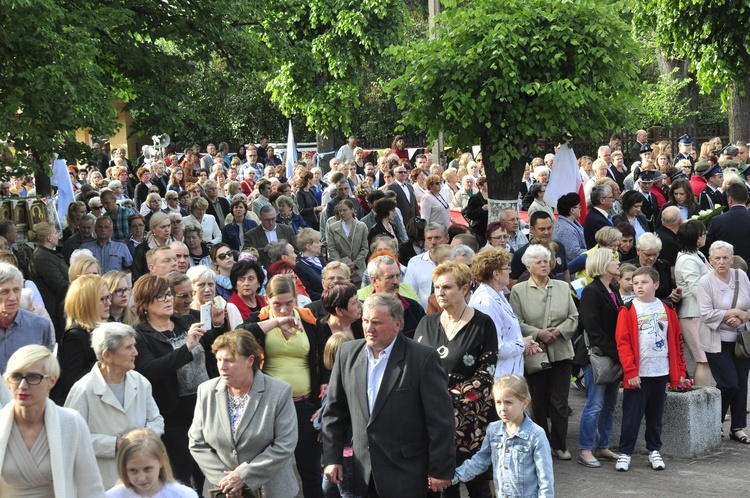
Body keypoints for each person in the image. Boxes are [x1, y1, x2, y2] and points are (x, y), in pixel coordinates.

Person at [322, 293, 456, 497]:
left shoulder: (422, 358)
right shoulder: (347, 353)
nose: (368, 328)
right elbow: (334, 412)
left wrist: (440, 470)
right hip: (363, 474)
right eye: (365, 321)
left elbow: (440, 420)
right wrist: (332, 458)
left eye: (376, 322)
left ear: (398, 324)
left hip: (407, 473)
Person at [414, 262, 498, 498]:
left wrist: (442, 399)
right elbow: (413, 369)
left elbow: (485, 376)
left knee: (477, 485)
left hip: (470, 421)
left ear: (464, 289)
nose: (440, 292)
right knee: (436, 485)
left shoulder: (483, 324)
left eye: (447, 287)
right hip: (431, 421)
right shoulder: (426, 323)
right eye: (437, 287)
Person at [239, 275, 327, 498]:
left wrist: (323, 402)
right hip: (269, 406)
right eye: (277, 303)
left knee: (311, 470)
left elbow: (325, 365)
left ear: (296, 299)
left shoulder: (309, 321)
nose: (284, 309)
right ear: (267, 300)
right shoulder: (259, 320)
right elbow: (238, 337)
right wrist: (275, 323)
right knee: (271, 472)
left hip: (304, 404)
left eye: (289, 303)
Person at [132, 275, 222, 491]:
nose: (167, 300)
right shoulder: (140, 335)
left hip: (206, 410)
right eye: (160, 296)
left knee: (212, 477)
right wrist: (186, 348)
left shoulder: (186, 321)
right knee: (181, 479)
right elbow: (149, 370)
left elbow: (216, 349)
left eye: (169, 295)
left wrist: (217, 325)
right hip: (174, 418)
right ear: (144, 304)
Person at [188, 329, 299, 498]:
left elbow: (285, 444)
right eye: (218, 360)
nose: (222, 366)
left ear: (250, 360)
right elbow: (197, 443)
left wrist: (244, 476)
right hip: (222, 491)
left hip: (271, 490)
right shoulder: (206, 391)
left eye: (229, 361)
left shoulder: (279, 392)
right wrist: (226, 481)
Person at [64, 323, 164, 489]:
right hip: (101, 480)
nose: (136, 353)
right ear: (107, 355)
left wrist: (142, 439)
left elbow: (156, 419)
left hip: (140, 478)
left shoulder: (140, 381)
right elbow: (70, 437)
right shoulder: (83, 389)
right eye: (128, 348)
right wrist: (114, 444)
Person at [0, 345, 107, 496]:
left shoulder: (72, 423)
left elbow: (91, 488)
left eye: (33, 377)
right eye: (16, 376)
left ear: (51, 381)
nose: (23, 386)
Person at [509, 244, 578, 460]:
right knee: (537, 401)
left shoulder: (562, 287)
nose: (543, 264)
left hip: (561, 351)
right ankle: (542, 443)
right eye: (538, 261)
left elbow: (574, 316)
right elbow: (516, 322)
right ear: (528, 266)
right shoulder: (518, 291)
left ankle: (560, 444)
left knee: (559, 401)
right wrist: (539, 333)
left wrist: (559, 331)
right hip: (535, 353)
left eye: (546, 260)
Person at [615, 266, 686, 472]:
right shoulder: (627, 310)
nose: (638, 287)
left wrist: (680, 372)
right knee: (632, 416)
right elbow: (623, 343)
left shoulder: (667, 309)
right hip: (638, 374)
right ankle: (625, 453)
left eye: (644, 282)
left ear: (656, 285)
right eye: (635, 283)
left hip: (661, 371)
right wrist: (630, 371)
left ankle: (654, 450)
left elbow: (676, 340)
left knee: (656, 416)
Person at [452, 374, 554, 497]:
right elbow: (480, 460)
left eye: (508, 402)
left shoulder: (536, 435)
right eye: (498, 402)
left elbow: (545, 480)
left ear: (525, 402)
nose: (502, 408)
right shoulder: (493, 430)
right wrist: (454, 476)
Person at [698, 241, 750, 443]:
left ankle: (737, 427)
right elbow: (706, 314)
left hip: (741, 341)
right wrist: (733, 312)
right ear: (710, 260)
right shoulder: (705, 282)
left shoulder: (741, 276)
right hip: (716, 341)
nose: (722, 262)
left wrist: (743, 317)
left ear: (732, 259)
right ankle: (714, 421)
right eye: (717, 258)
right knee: (729, 384)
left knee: (741, 384)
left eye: (725, 258)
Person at [576, 249, 623, 468]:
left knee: (610, 405)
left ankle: (603, 445)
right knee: (594, 404)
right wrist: (618, 352)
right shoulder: (592, 291)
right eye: (613, 259)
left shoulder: (612, 288)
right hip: (598, 355)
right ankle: (585, 448)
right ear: (602, 264)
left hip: (614, 354)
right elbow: (592, 329)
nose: (617, 261)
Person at [469, 248, 536, 377]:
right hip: (499, 378)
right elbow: (496, 347)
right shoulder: (485, 301)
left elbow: (507, 335)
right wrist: (523, 344)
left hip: (510, 373)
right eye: (507, 268)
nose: (510, 271)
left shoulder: (498, 294)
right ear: (496, 274)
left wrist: (526, 342)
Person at [51, 274, 111, 405]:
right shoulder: (75, 338)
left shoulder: (102, 330)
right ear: (87, 303)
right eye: (102, 299)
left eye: (108, 297)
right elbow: (71, 385)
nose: (109, 303)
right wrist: (103, 359)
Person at [674, 220, 712, 386]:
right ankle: (703, 404)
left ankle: (708, 404)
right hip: (692, 314)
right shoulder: (688, 260)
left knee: (706, 359)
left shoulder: (697, 254)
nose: (706, 236)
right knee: (703, 359)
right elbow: (696, 288)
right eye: (704, 233)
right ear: (697, 238)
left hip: (699, 313)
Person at [107, 429, 197, 497]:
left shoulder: (183, 495)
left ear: (162, 460)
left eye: (147, 469)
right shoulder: (113, 496)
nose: (141, 478)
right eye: (133, 470)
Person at [0, 263, 55, 373]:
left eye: (16, 290)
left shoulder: (40, 326)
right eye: (4, 291)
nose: (12, 297)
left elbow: (45, 371)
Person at [28, 221, 69, 340]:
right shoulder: (42, 258)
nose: (58, 235)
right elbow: (59, 285)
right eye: (56, 233)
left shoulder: (47, 254)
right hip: (54, 311)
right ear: (49, 238)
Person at [327, 200, 369, 287]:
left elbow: (365, 248)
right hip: (342, 273)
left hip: (359, 271)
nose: (342, 213)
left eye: (344, 210)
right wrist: (341, 265)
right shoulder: (332, 228)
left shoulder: (362, 226)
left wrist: (356, 263)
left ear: (352, 210)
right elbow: (331, 249)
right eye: (340, 211)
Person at [706, 183, 750, 263]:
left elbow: (709, 246)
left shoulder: (717, 221)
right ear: (747, 198)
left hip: (726, 267)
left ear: (729, 199)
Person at [226, 259, 267, 329]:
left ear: (259, 283)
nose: (246, 284)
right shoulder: (230, 307)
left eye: (251, 279)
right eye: (241, 279)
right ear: (235, 284)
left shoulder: (265, 301)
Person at [552, 192, 586, 261]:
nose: (580, 209)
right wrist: (594, 250)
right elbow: (574, 254)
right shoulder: (565, 230)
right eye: (579, 207)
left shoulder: (571, 224)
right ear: (572, 210)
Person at [295, 227, 326, 301]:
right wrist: (328, 296)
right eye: (317, 242)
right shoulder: (299, 266)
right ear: (308, 246)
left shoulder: (320, 259)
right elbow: (308, 291)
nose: (321, 244)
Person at [583, 184, 615, 249]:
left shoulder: (597, 215)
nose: (613, 200)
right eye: (611, 197)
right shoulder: (597, 221)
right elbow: (608, 243)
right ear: (602, 200)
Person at [463, 177, 490, 245]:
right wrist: (482, 209)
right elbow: (469, 214)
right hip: (479, 230)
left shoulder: (491, 196)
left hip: (489, 228)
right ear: (480, 186)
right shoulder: (475, 198)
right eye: (486, 184)